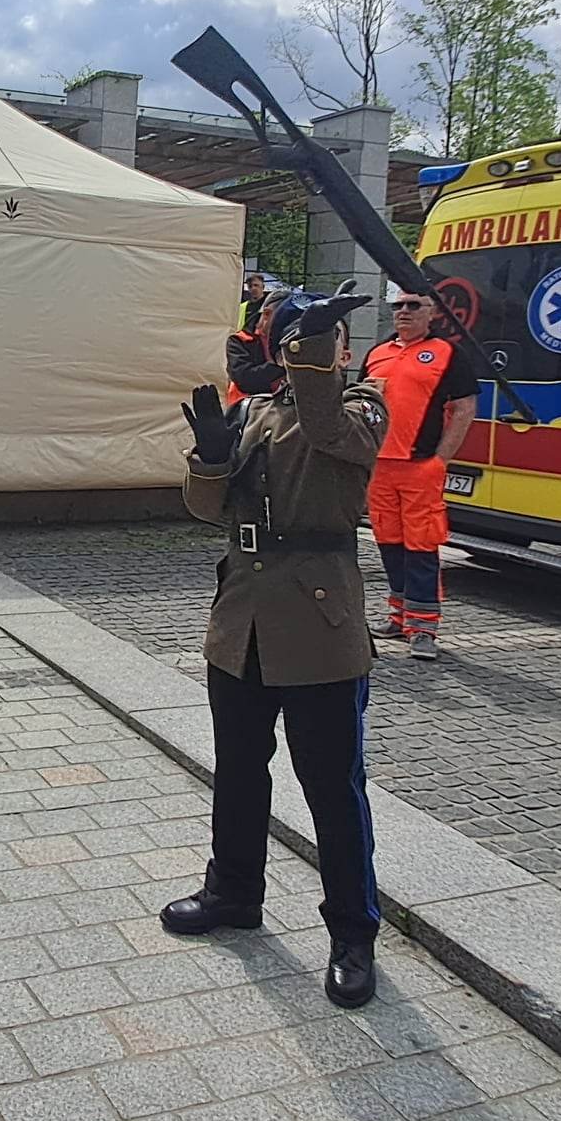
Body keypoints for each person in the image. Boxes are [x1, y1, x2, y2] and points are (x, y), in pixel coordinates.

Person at [160, 287, 390, 1009]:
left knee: (332, 788)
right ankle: (233, 891)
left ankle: (353, 932)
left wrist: (310, 348)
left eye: (323, 338)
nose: (312, 349)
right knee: (237, 771)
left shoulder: (361, 406)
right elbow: (208, 509)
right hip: (242, 625)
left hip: (319, 627)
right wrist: (210, 456)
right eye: (298, 337)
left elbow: (324, 427)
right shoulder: (253, 411)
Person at [360, 291, 481, 660]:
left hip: (420, 467)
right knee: (389, 543)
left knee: (421, 546)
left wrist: (441, 459)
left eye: (413, 305)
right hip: (380, 467)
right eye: (398, 306)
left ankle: (423, 626)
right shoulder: (377, 353)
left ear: (432, 313)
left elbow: (465, 407)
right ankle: (399, 616)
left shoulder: (447, 353)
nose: (404, 312)